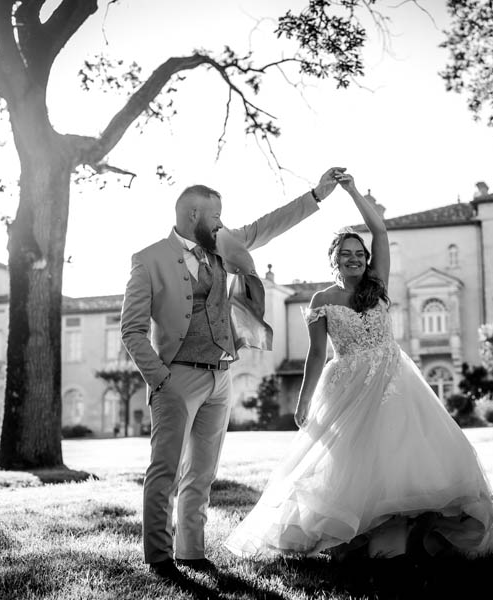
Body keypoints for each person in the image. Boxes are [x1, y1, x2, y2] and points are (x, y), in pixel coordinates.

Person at [225, 171, 493, 561]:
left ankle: (413, 526)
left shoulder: (376, 284)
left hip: (395, 380)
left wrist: (350, 192)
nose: (354, 258)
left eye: (358, 253)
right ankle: (358, 534)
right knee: (349, 465)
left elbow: (379, 232)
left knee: (403, 453)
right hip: (346, 385)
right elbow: (316, 355)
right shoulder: (320, 300)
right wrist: (303, 402)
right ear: (333, 260)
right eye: (345, 253)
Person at [120, 167, 345, 584]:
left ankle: (191, 551)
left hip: (220, 377)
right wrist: (160, 379)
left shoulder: (222, 245)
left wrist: (316, 194)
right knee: (165, 470)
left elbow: (270, 225)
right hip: (176, 378)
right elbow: (131, 329)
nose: (223, 223)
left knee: (202, 473)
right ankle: (158, 556)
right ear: (192, 216)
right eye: (216, 216)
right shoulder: (148, 259)